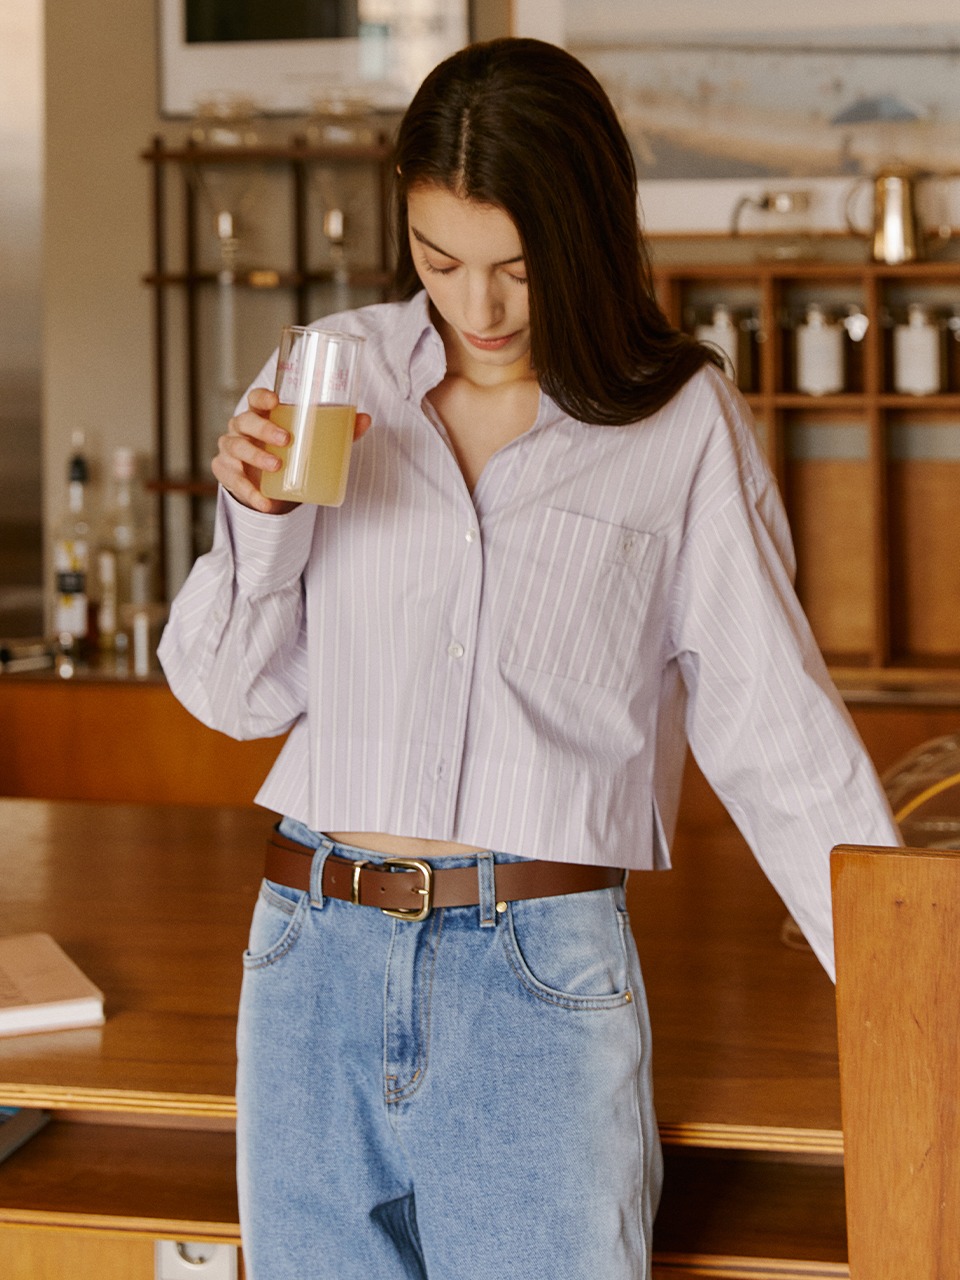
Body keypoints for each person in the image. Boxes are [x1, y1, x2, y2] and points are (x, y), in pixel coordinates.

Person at [158, 36, 901, 1280]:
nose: (480, 308)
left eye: (518, 266)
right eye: (440, 261)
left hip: (537, 973)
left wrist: (905, 978)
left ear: (588, 235)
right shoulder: (326, 375)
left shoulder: (679, 420)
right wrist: (263, 524)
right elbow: (233, 693)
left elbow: (779, 735)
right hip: (307, 961)